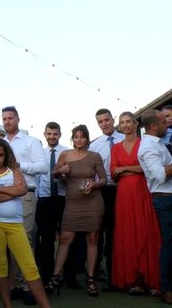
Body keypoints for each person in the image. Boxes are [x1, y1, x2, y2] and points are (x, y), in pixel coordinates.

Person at [0, 137, 51, 308]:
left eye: (1, 155)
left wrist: (0, 189)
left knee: (29, 266)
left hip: (15, 224)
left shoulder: (14, 171)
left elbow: (23, 189)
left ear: (6, 155)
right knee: (0, 265)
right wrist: (12, 191)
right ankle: (7, 305)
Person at [47, 125, 106, 297]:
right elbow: (54, 173)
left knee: (92, 239)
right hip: (72, 202)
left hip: (93, 202)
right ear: (72, 138)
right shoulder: (65, 155)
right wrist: (61, 171)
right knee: (65, 238)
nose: (79, 139)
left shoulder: (95, 156)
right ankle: (56, 277)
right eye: (76, 136)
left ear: (87, 139)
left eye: (82, 136)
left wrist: (94, 184)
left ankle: (90, 279)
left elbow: (103, 178)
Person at [1, 105, 47, 305]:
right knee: (10, 242)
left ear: (18, 119)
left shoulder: (30, 142)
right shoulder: (0, 143)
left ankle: (30, 286)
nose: (7, 121)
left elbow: (43, 167)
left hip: (26, 195)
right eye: (4, 118)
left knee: (26, 240)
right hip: (3, 196)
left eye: (10, 118)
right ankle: (18, 284)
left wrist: (20, 165)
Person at [111, 111, 160, 294]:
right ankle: (134, 281)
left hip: (143, 192)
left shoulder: (144, 144)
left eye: (128, 122)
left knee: (146, 231)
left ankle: (151, 280)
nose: (125, 125)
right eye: (122, 122)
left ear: (135, 124)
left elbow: (149, 168)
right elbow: (114, 171)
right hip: (124, 195)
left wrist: (125, 169)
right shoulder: (116, 147)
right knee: (128, 233)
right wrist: (134, 169)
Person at [137, 109, 172, 305]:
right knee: (169, 244)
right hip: (165, 199)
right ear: (153, 126)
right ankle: (167, 290)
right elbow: (159, 174)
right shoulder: (148, 147)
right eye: (163, 120)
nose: (167, 123)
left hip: (168, 197)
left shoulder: (157, 143)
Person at [88, 108, 124, 291]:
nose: (104, 124)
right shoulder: (94, 146)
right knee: (98, 233)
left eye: (107, 120)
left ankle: (115, 277)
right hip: (101, 192)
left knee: (116, 234)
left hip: (122, 190)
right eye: (100, 121)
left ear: (113, 119)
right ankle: (94, 275)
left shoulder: (125, 139)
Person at [35, 122, 67, 284]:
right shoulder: (40, 153)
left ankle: (68, 275)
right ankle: (48, 275)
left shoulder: (67, 152)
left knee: (67, 238)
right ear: (45, 134)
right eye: (49, 134)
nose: (52, 137)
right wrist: (38, 198)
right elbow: (38, 177)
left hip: (64, 198)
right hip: (45, 199)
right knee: (46, 239)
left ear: (60, 134)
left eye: (55, 134)